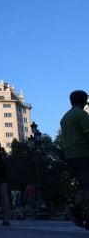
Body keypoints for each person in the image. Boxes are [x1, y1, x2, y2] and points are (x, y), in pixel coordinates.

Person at [60, 90, 89, 229]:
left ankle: (79, 209)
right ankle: (77, 208)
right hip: (83, 153)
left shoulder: (65, 117)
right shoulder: (81, 114)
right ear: (84, 101)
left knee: (85, 185)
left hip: (70, 154)